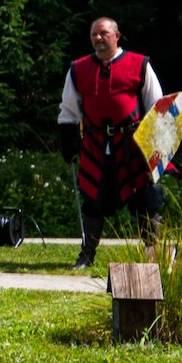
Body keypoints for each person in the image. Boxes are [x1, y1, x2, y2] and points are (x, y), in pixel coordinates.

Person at [57, 16, 165, 270]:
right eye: (94, 34)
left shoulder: (139, 64)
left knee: (146, 200)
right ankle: (86, 256)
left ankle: (153, 254)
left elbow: (156, 105)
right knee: (93, 200)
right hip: (96, 145)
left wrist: (157, 146)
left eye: (103, 33)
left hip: (133, 146)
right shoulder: (79, 68)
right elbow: (69, 109)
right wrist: (68, 144)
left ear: (117, 36)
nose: (98, 38)